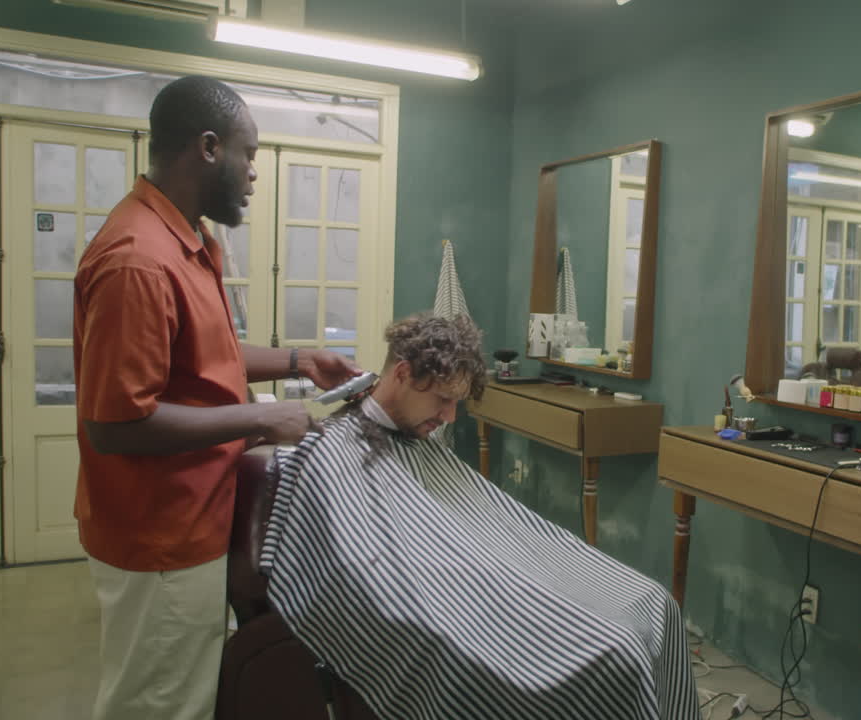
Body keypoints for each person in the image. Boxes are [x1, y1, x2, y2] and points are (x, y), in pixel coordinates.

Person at [72, 75, 359, 720]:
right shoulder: (138, 260)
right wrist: (264, 415)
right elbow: (116, 423)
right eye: (248, 153)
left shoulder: (190, 244)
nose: (255, 172)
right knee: (159, 707)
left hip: (196, 517)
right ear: (207, 148)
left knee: (186, 693)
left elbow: (205, 361)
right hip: (159, 533)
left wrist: (299, 360)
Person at [261, 314, 700, 720]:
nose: (450, 417)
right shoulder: (331, 449)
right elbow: (355, 569)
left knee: (655, 605)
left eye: (458, 403)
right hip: (444, 602)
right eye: (442, 399)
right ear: (402, 374)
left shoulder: (416, 439)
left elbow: (498, 532)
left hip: (497, 576)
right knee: (616, 651)